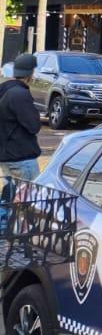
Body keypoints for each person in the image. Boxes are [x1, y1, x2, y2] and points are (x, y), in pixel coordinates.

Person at [0, 54, 43, 238]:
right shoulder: (20, 94)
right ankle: (19, 237)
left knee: (10, 196)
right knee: (27, 200)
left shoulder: (4, 90)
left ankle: (8, 233)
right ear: (30, 73)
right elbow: (33, 126)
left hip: (7, 155)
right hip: (21, 157)